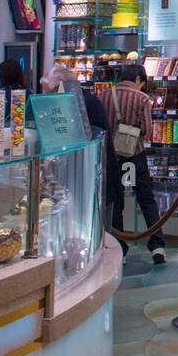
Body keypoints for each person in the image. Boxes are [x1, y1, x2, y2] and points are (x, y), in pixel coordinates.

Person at [40, 63, 124, 244]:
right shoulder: (82, 100)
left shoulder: (83, 103)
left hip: (94, 184)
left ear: (61, 87)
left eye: (49, 91)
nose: (46, 96)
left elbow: (83, 145)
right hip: (85, 183)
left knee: (93, 239)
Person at [108, 63, 165, 265]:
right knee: (146, 198)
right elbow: (147, 130)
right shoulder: (142, 98)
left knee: (115, 201)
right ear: (139, 80)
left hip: (111, 157)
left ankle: (119, 249)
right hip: (134, 153)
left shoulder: (105, 95)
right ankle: (157, 246)